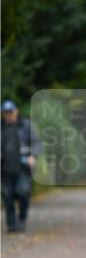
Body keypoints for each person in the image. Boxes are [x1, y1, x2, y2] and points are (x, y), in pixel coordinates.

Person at [1, 100, 40, 233]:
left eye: (10, 112)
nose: (8, 115)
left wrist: (33, 156)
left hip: (22, 167)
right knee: (7, 197)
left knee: (23, 192)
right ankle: (11, 224)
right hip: (5, 169)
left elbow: (36, 143)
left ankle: (22, 219)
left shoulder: (25, 126)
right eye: (5, 113)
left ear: (16, 111)